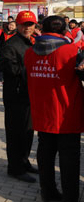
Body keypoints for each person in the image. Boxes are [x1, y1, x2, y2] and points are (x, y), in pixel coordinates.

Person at [25, 15, 84, 202]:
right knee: (69, 160)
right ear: (65, 30)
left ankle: (48, 192)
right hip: (67, 114)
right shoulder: (72, 51)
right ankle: (71, 196)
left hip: (42, 114)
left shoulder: (29, 53)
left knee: (45, 156)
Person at [0, 11, 38, 184]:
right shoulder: (10, 45)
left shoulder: (31, 43)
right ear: (17, 25)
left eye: (30, 25)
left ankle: (24, 161)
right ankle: (15, 168)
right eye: (24, 25)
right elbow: (10, 70)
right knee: (16, 132)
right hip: (15, 95)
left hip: (29, 94)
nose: (27, 28)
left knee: (28, 131)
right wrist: (33, 71)